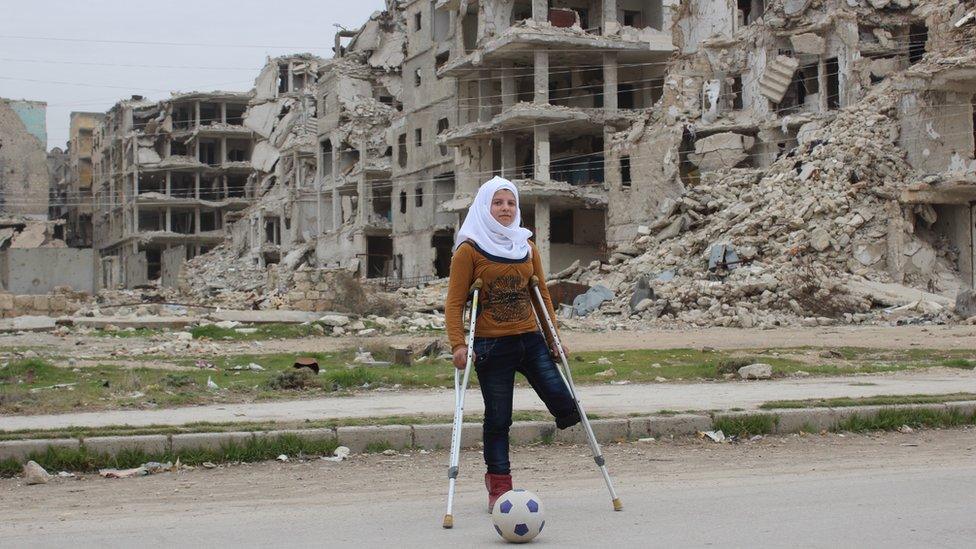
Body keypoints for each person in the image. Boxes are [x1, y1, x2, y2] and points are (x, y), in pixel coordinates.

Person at [445, 176, 581, 512]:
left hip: (530, 340)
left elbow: (542, 294)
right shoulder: (469, 249)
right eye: (498, 203)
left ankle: (560, 419)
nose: (505, 209)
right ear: (484, 207)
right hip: (491, 347)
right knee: (498, 420)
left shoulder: (526, 245)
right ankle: (499, 483)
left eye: (511, 203)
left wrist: (554, 340)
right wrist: (458, 345)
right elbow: (454, 302)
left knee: (565, 404)